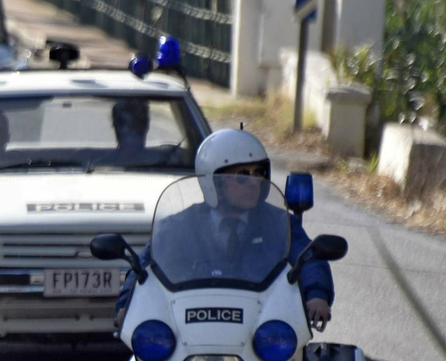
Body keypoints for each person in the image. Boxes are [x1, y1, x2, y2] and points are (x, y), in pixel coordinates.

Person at [115, 129, 334, 327]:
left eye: (259, 174)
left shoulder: (280, 224)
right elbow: (144, 267)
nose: (254, 183)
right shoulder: (179, 226)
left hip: (262, 326)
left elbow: (308, 257)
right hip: (191, 327)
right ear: (214, 183)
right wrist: (127, 305)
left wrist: (317, 295)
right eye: (241, 177)